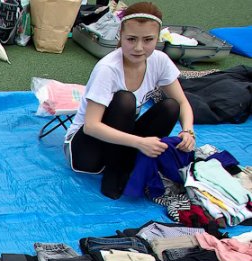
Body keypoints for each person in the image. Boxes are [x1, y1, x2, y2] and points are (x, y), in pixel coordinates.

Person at [64, 2, 195, 199]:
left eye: (148, 40)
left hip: (122, 137)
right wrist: (140, 142)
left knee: (170, 107)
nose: (139, 48)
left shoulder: (160, 61)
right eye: (131, 39)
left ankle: (130, 164)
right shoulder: (108, 69)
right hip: (86, 149)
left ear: (157, 39)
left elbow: (183, 103)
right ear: (120, 36)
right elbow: (91, 126)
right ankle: (114, 173)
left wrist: (188, 131)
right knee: (125, 100)